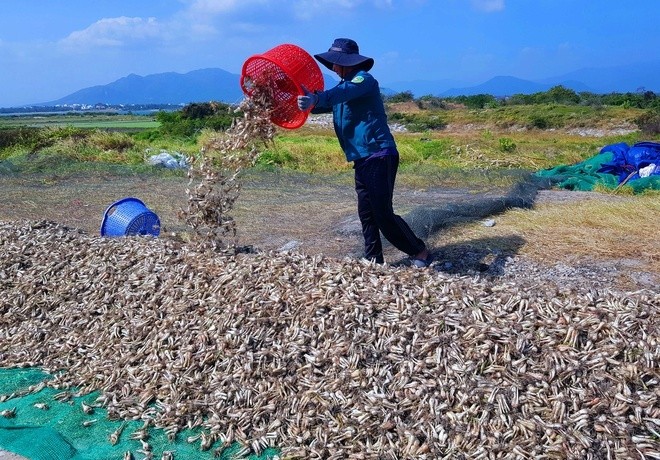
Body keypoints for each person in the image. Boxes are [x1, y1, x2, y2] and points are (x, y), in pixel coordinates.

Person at [297, 38, 430, 267]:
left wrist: (317, 97)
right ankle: (373, 259)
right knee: (366, 213)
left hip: (379, 154)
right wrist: (306, 101)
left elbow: (341, 93)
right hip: (361, 158)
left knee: (382, 213)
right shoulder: (341, 90)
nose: (333, 68)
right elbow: (323, 103)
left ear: (345, 63)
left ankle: (419, 251)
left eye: (335, 64)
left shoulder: (363, 81)